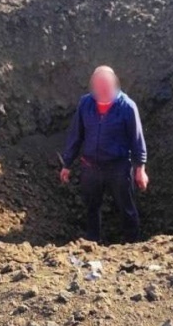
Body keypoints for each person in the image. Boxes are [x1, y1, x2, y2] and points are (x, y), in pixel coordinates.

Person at [60, 66, 149, 243]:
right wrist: (67, 164)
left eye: (106, 86)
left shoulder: (127, 107)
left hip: (118, 167)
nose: (102, 91)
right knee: (91, 207)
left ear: (115, 84)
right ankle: (92, 243)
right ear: (93, 86)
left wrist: (140, 168)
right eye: (99, 87)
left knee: (127, 208)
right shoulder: (85, 104)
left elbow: (137, 139)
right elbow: (76, 134)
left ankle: (133, 244)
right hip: (91, 167)